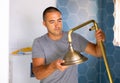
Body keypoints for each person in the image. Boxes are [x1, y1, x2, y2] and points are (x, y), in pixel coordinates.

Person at [32, 6, 105, 83]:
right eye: (52, 22)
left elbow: (98, 53)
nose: (57, 25)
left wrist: (100, 41)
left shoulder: (73, 37)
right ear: (44, 24)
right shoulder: (39, 43)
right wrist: (53, 66)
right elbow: (38, 74)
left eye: (59, 21)